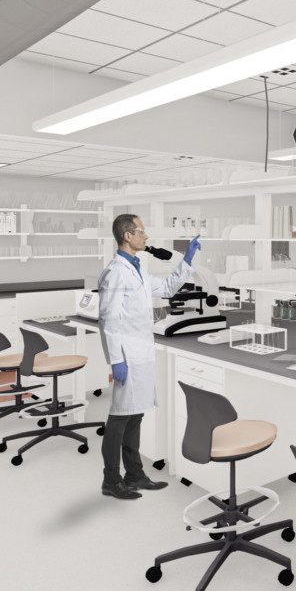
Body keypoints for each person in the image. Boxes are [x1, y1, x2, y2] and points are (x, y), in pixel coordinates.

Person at [97, 214, 200, 500]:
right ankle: (111, 481)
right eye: (141, 231)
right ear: (127, 236)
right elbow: (108, 319)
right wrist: (115, 359)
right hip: (127, 355)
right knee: (119, 418)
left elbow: (166, 289)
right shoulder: (116, 272)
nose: (146, 236)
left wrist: (187, 261)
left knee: (135, 416)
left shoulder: (137, 268)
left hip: (141, 351)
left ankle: (135, 475)